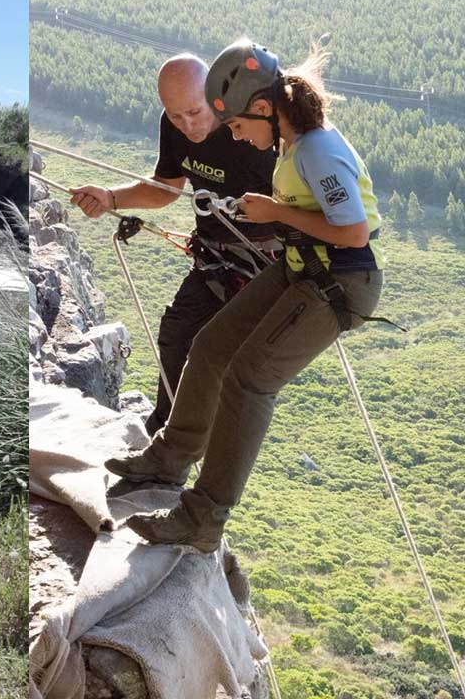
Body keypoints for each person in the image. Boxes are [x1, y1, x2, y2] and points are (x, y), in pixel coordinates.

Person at [109, 39, 386, 552]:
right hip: (302, 266)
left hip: (338, 281)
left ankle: (202, 520)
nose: (235, 136)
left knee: (249, 380)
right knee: (212, 346)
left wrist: (277, 214)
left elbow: (355, 234)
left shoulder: (318, 150)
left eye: (236, 126)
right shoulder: (291, 140)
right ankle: (169, 457)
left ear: (263, 109)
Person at [71, 54, 281, 437]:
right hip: (215, 257)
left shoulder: (255, 135)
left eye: (194, 113)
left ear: (217, 100)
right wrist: (110, 197)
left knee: (224, 358)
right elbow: (166, 186)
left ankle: (195, 446)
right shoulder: (174, 124)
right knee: (177, 334)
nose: (187, 125)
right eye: (176, 116)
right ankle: (166, 430)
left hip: (267, 265)